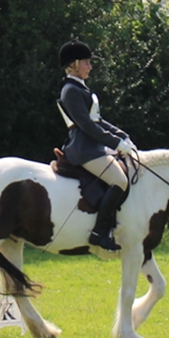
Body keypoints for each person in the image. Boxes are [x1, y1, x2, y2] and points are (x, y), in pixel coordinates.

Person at [56, 40, 136, 252]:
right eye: (86, 63)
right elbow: (87, 126)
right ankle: (99, 233)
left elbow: (98, 121)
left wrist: (123, 136)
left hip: (93, 147)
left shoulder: (80, 88)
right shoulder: (70, 91)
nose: (90, 67)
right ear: (74, 64)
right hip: (84, 149)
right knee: (120, 181)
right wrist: (116, 143)